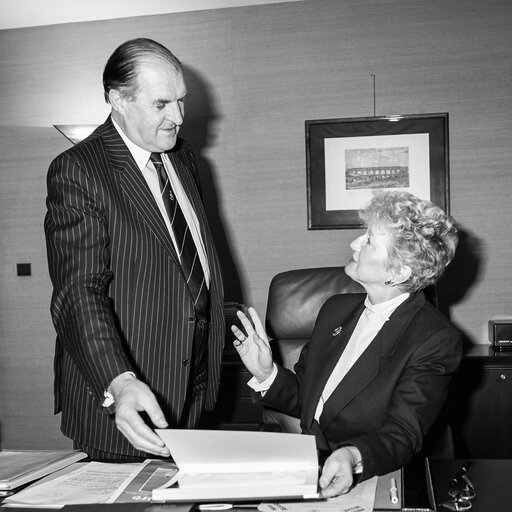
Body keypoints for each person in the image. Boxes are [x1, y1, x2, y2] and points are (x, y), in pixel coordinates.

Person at [44, 38, 224, 461]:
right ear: (117, 100)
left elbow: (184, 258)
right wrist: (119, 382)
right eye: (161, 103)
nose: (178, 118)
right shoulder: (78, 170)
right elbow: (78, 292)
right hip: (128, 394)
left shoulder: (183, 157)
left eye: (182, 101)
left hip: (194, 382)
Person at [232, 191, 462, 497]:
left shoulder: (434, 339)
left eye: (368, 241)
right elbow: (308, 401)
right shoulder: (335, 309)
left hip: (375, 475)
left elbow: (403, 434)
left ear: (398, 272)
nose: (354, 244)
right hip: (309, 468)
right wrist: (266, 373)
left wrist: (352, 456)